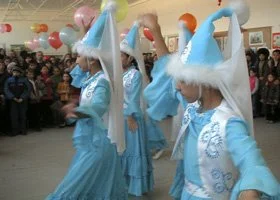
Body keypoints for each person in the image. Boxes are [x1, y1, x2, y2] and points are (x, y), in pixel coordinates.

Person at [139, 0, 280, 199]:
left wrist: (250, 189)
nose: (177, 86)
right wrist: (156, 30)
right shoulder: (192, 106)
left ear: (202, 82)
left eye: (183, 80)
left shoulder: (228, 123)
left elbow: (252, 162)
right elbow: (166, 67)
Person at [46, 1, 127, 199]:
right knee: (90, 187)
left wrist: (73, 111)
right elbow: (78, 73)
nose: (76, 60)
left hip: (98, 145)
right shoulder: (89, 78)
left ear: (91, 59)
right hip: (90, 143)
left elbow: (97, 107)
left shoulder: (102, 83)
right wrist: (85, 33)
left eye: (79, 57)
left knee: (71, 189)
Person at [120, 22, 154, 196]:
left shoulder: (135, 75)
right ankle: (123, 184)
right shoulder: (118, 74)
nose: (118, 58)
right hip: (121, 120)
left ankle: (136, 187)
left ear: (130, 58)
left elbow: (133, 97)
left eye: (122, 56)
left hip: (131, 118)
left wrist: (130, 117)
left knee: (133, 151)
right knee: (122, 151)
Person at [4, 65, 30, 136]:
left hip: (22, 100)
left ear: (20, 73)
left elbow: (27, 89)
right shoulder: (8, 80)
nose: (15, 73)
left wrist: (22, 98)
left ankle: (23, 130)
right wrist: (13, 97)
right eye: (14, 72)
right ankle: (15, 131)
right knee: (14, 116)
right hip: (13, 101)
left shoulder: (24, 79)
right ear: (12, 72)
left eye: (17, 72)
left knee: (23, 115)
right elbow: (6, 90)